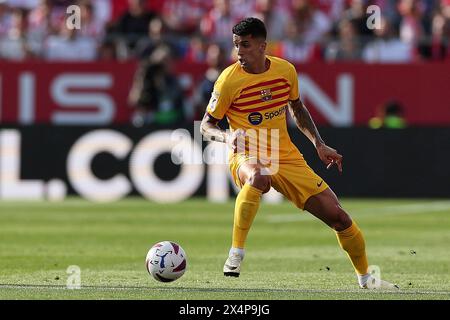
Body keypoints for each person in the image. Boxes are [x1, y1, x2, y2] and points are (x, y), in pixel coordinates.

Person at [200, 17, 398, 290]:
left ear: (262, 46)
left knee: (339, 217)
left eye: (245, 45)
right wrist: (226, 136)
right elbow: (207, 125)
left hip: (286, 155)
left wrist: (318, 143)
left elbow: (297, 108)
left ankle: (366, 278)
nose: (239, 52)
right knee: (258, 177)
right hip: (247, 153)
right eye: (236, 46)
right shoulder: (228, 81)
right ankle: (236, 252)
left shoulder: (285, 70)